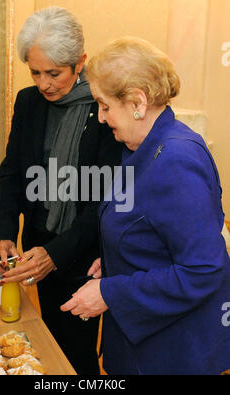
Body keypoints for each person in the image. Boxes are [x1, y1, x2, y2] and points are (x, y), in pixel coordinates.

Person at [60, 36, 230, 375]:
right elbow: (153, 232)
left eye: (104, 106)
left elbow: (203, 269)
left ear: (137, 101)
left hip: (174, 351)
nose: (101, 117)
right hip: (145, 343)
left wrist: (111, 292)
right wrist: (116, 259)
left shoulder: (177, 159)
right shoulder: (145, 146)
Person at [0, 7, 122, 375]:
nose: (44, 83)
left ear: (80, 62)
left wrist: (56, 253)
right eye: (35, 72)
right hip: (38, 247)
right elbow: (12, 174)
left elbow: (104, 200)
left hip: (83, 257)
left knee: (76, 359)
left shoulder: (104, 109)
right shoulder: (29, 102)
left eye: (54, 73)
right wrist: (3, 234)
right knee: (44, 346)